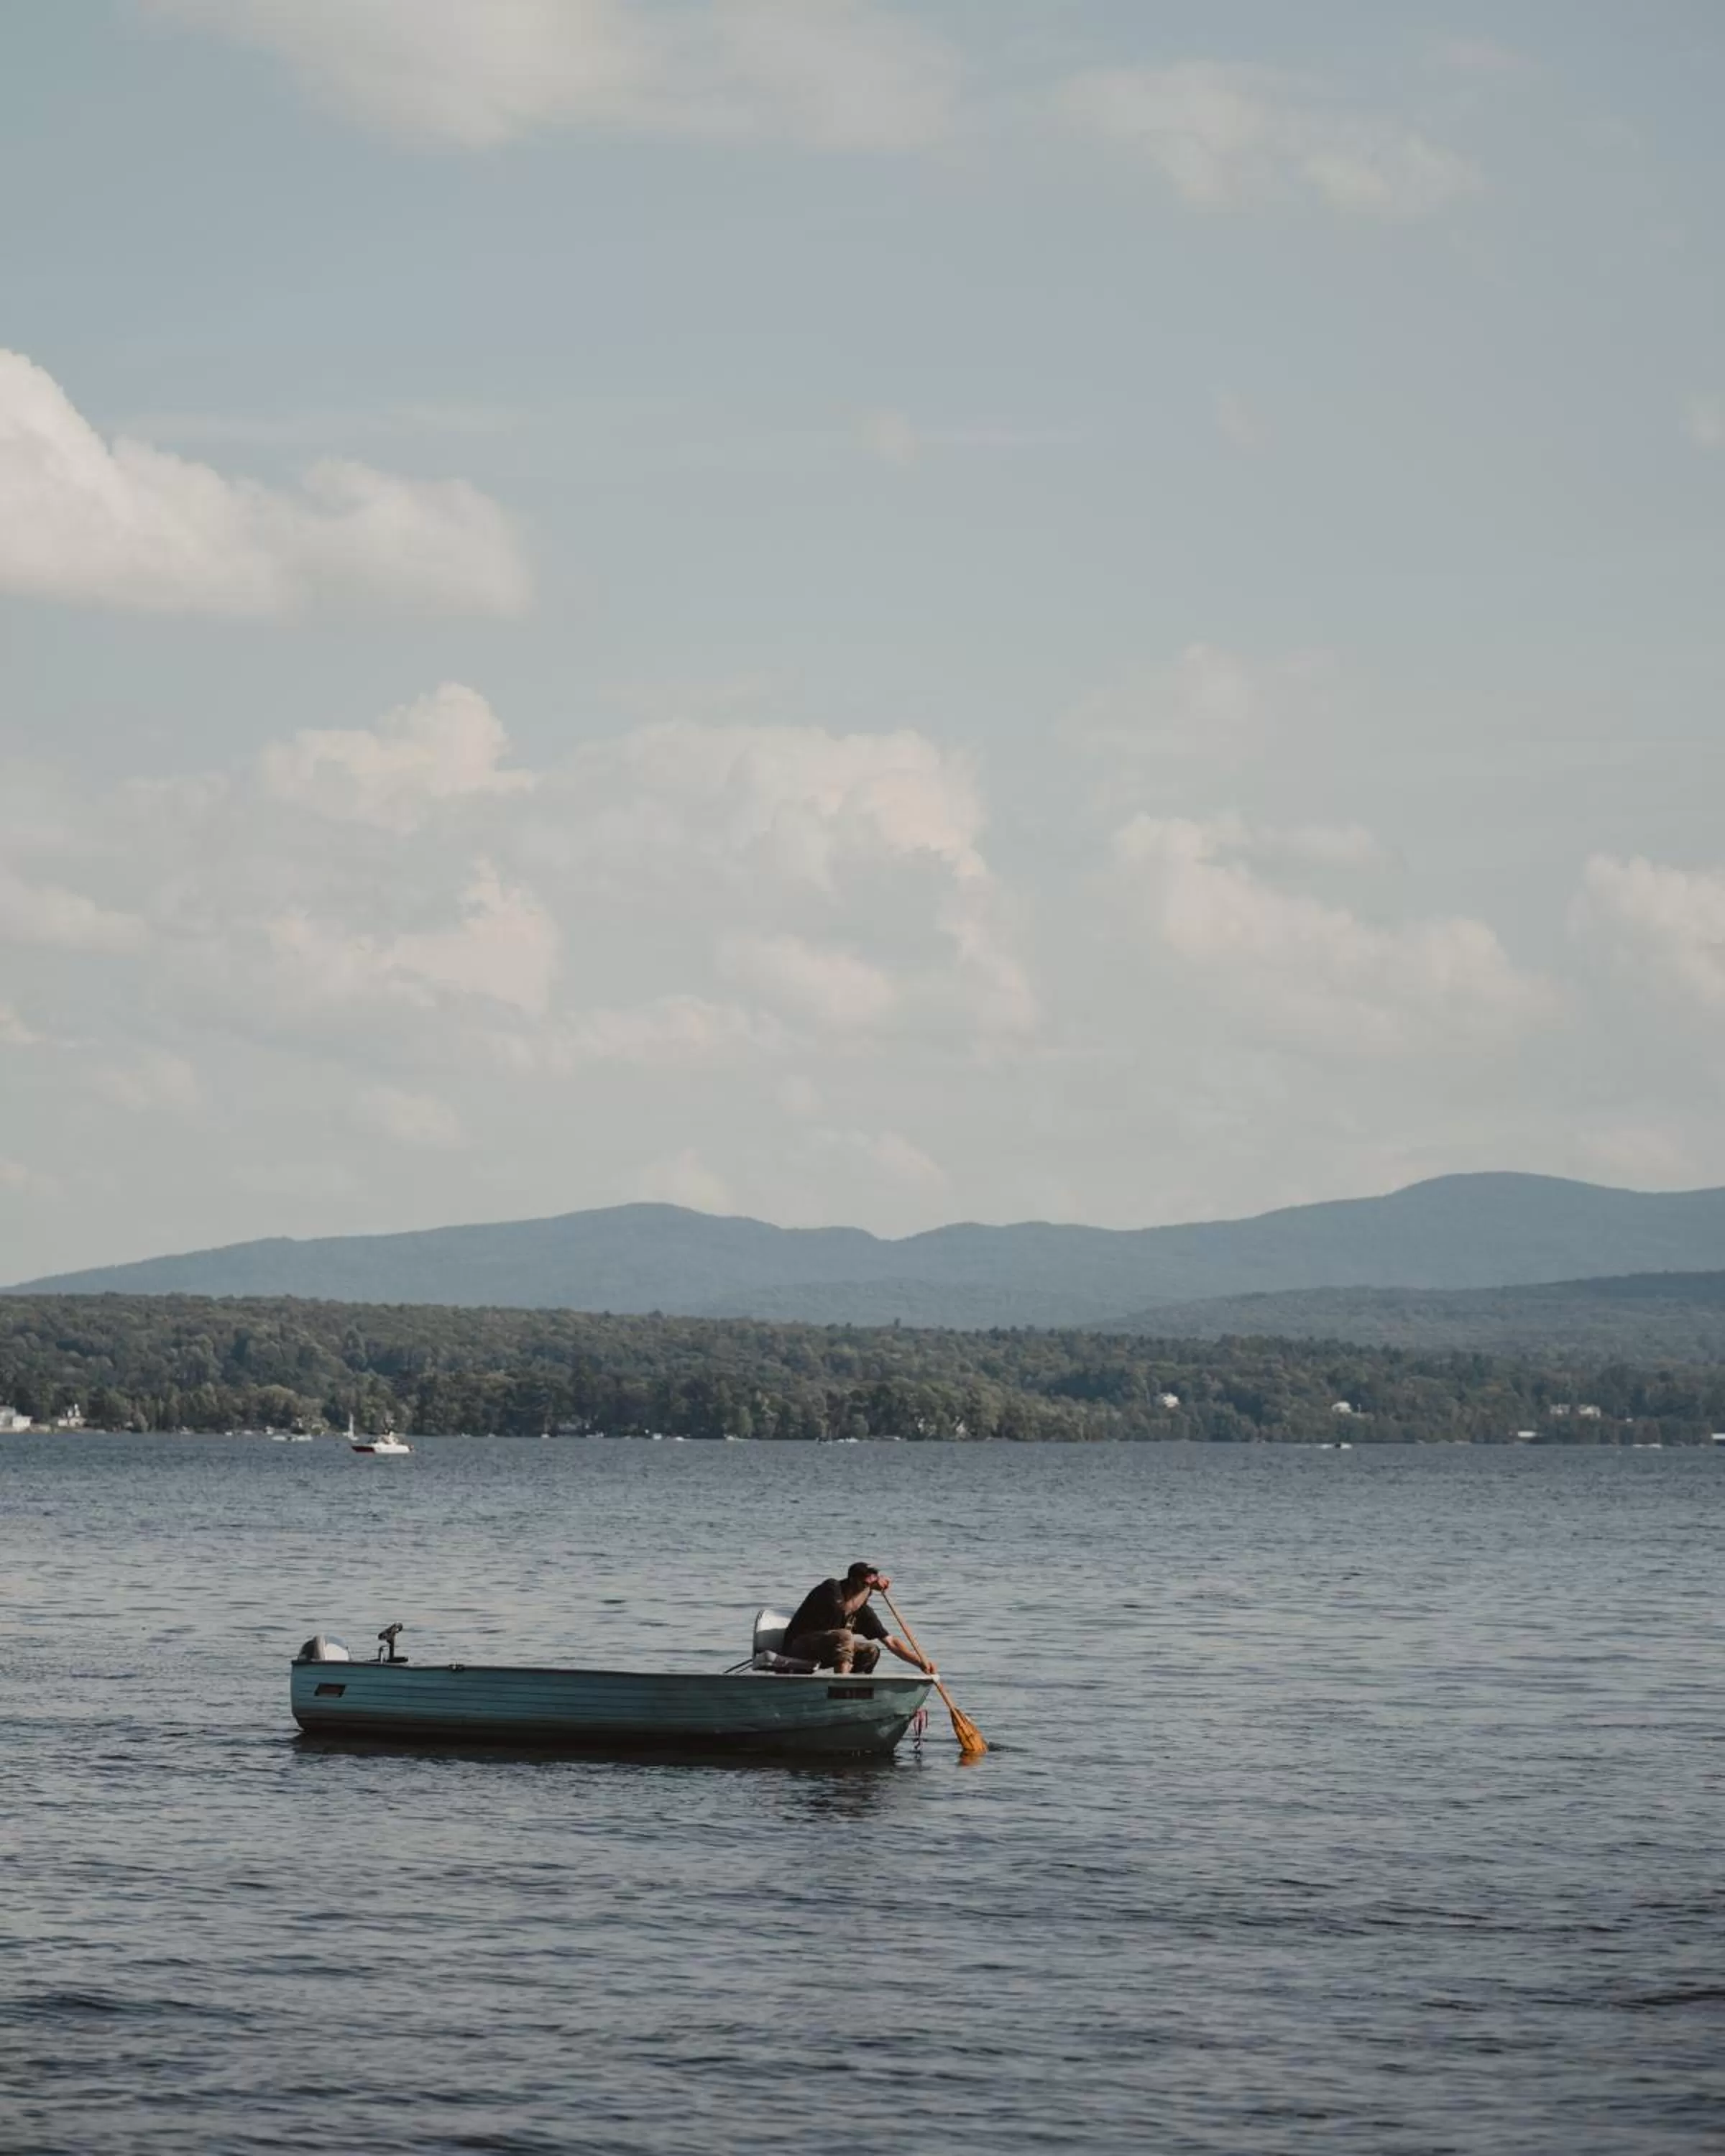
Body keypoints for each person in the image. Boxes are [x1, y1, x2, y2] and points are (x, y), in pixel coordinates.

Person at [781, 1562, 932, 1676]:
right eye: (865, 1584)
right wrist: (871, 1587)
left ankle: (854, 1692)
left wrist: (920, 1662)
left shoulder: (862, 1611)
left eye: (870, 1585)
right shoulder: (831, 1588)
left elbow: (891, 1642)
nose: (867, 1588)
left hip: (825, 1651)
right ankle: (841, 1686)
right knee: (845, 1636)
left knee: (871, 1650)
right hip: (797, 1646)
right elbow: (843, 1610)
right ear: (853, 1580)